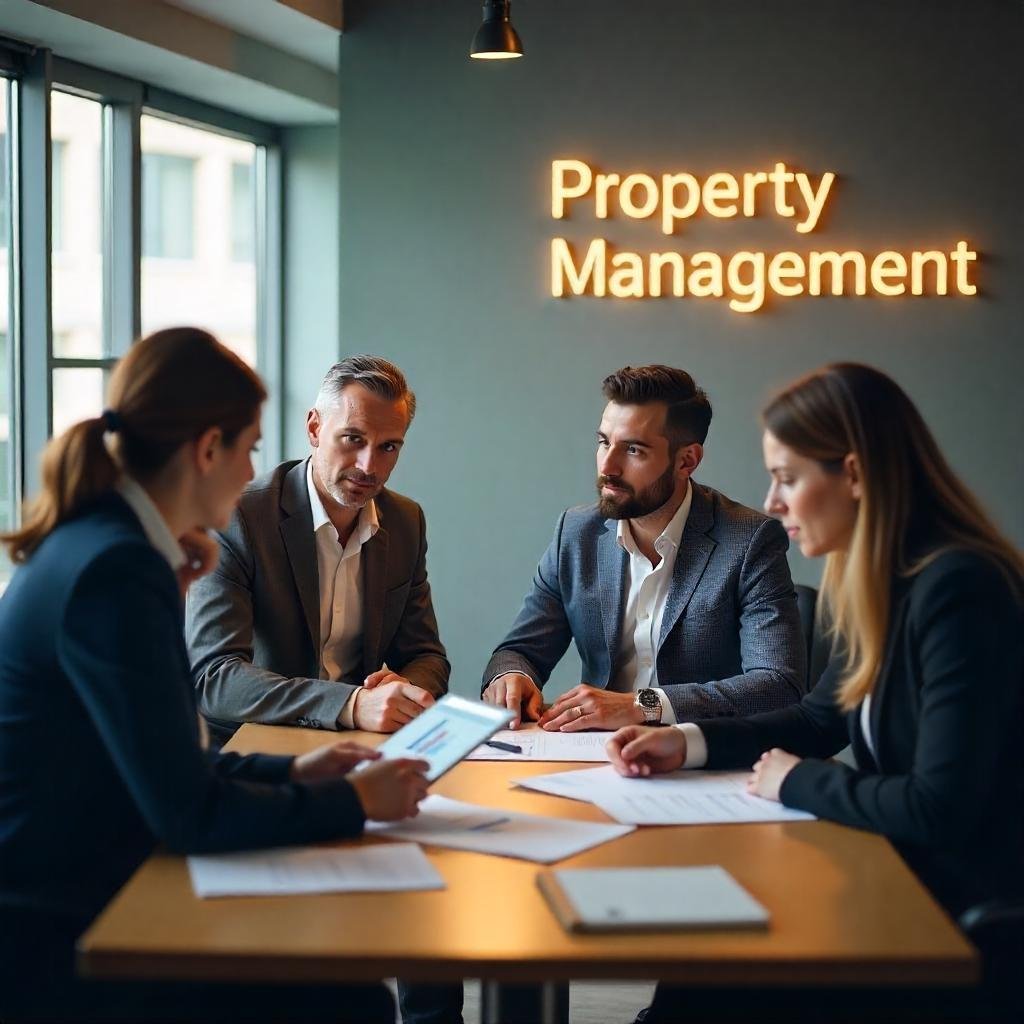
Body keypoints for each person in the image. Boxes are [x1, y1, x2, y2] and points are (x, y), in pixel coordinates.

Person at [0, 328, 429, 1024]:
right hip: (61, 932)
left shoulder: (103, 545)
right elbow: (188, 810)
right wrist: (356, 801)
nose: (256, 467)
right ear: (207, 450)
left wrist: (293, 775)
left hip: (84, 887)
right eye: (251, 446)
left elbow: (172, 766)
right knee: (352, 1006)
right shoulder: (118, 569)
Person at [608, 363, 1024, 1022]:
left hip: (959, 926)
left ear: (854, 475)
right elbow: (819, 718)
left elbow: (938, 807)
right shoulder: (887, 581)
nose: (772, 504)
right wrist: (684, 742)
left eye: (787, 478)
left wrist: (793, 782)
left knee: (711, 978)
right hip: (904, 883)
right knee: (700, 967)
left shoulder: (958, 588)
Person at [482, 364, 805, 731]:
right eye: (604, 442)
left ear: (687, 461)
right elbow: (520, 651)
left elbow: (778, 685)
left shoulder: (748, 541)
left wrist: (642, 705)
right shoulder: (575, 533)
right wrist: (510, 676)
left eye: (633, 450)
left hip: (700, 756)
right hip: (592, 754)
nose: (608, 466)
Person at [186, 355, 449, 747]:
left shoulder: (405, 521)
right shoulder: (239, 516)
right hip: (249, 748)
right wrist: (351, 704)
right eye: (354, 439)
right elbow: (214, 677)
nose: (368, 466)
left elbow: (428, 657)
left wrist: (403, 687)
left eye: (388, 447)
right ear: (314, 427)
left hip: (361, 745)